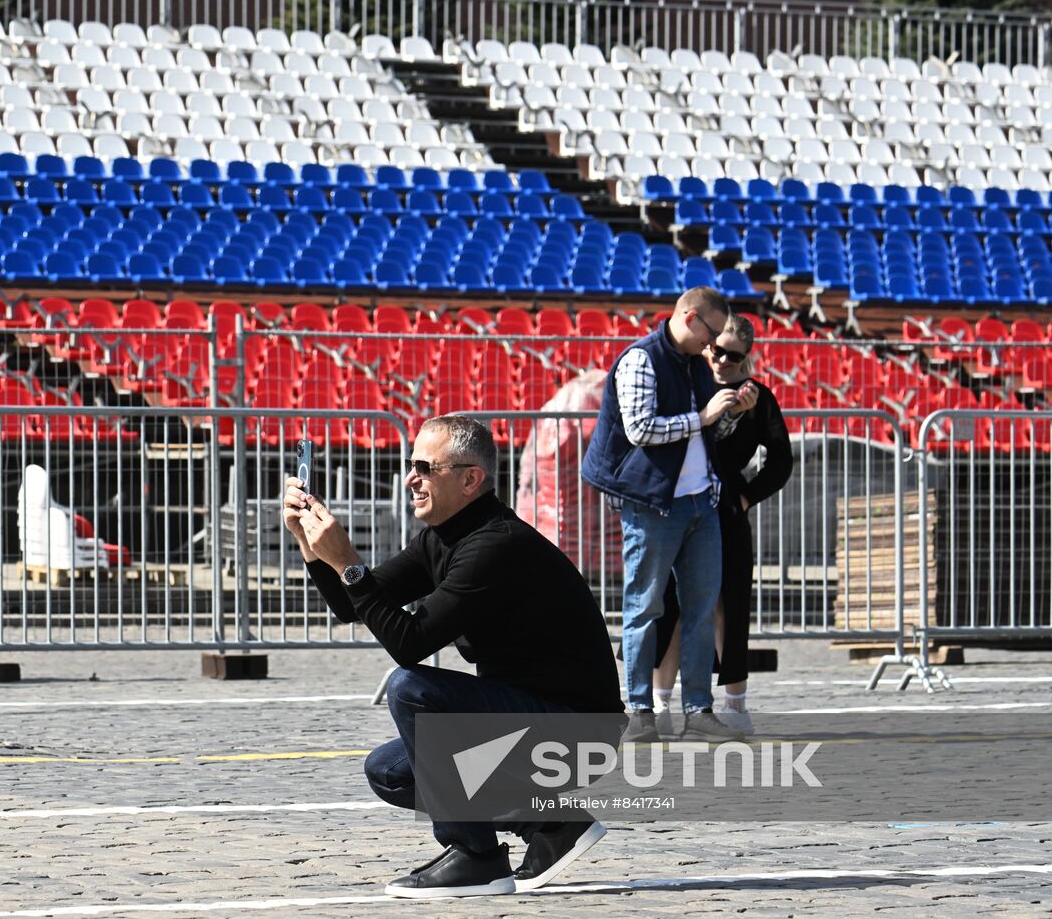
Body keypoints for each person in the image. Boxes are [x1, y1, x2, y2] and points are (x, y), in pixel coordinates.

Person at [283, 415, 624, 899]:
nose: (410, 478)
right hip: (532, 718)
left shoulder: (496, 545)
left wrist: (348, 563)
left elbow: (409, 643)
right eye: (410, 464)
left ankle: (477, 857)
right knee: (391, 771)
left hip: (577, 732)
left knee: (412, 689)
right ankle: (552, 824)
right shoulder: (442, 537)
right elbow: (351, 603)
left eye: (425, 467)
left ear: (470, 479)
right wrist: (312, 545)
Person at [579, 286, 755, 743]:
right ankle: (639, 711)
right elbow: (642, 429)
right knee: (644, 608)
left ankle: (698, 710)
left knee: (698, 611)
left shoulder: (694, 364)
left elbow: (707, 432)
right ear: (692, 318)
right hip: (653, 504)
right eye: (712, 336)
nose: (714, 348)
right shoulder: (641, 359)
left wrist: (731, 413)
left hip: (701, 502)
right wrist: (704, 415)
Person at [651, 314, 793, 735]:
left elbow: (781, 459)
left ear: (747, 356)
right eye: (718, 350)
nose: (724, 360)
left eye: (735, 355)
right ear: (707, 344)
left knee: (727, 606)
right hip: (680, 500)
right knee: (671, 603)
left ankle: (736, 704)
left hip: (727, 506)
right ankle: (660, 706)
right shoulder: (685, 385)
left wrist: (748, 496)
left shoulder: (758, 397)